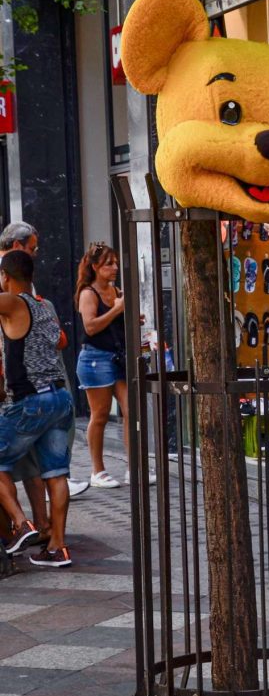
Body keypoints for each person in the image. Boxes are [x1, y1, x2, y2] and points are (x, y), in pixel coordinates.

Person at [0, 221, 89, 536]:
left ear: (6, 277)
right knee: (54, 473)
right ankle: (57, 544)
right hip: (60, 398)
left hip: (29, 400)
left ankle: (21, 524)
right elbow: (62, 341)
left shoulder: (12, 301)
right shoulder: (44, 306)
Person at [75, 242, 155, 489]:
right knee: (99, 415)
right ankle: (97, 471)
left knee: (132, 410)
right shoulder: (88, 293)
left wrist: (130, 315)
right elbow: (90, 326)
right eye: (109, 263)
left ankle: (135, 467)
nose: (115, 268)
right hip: (95, 358)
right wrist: (116, 309)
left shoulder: (116, 290)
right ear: (95, 267)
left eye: (116, 263)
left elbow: (116, 322)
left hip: (118, 357)